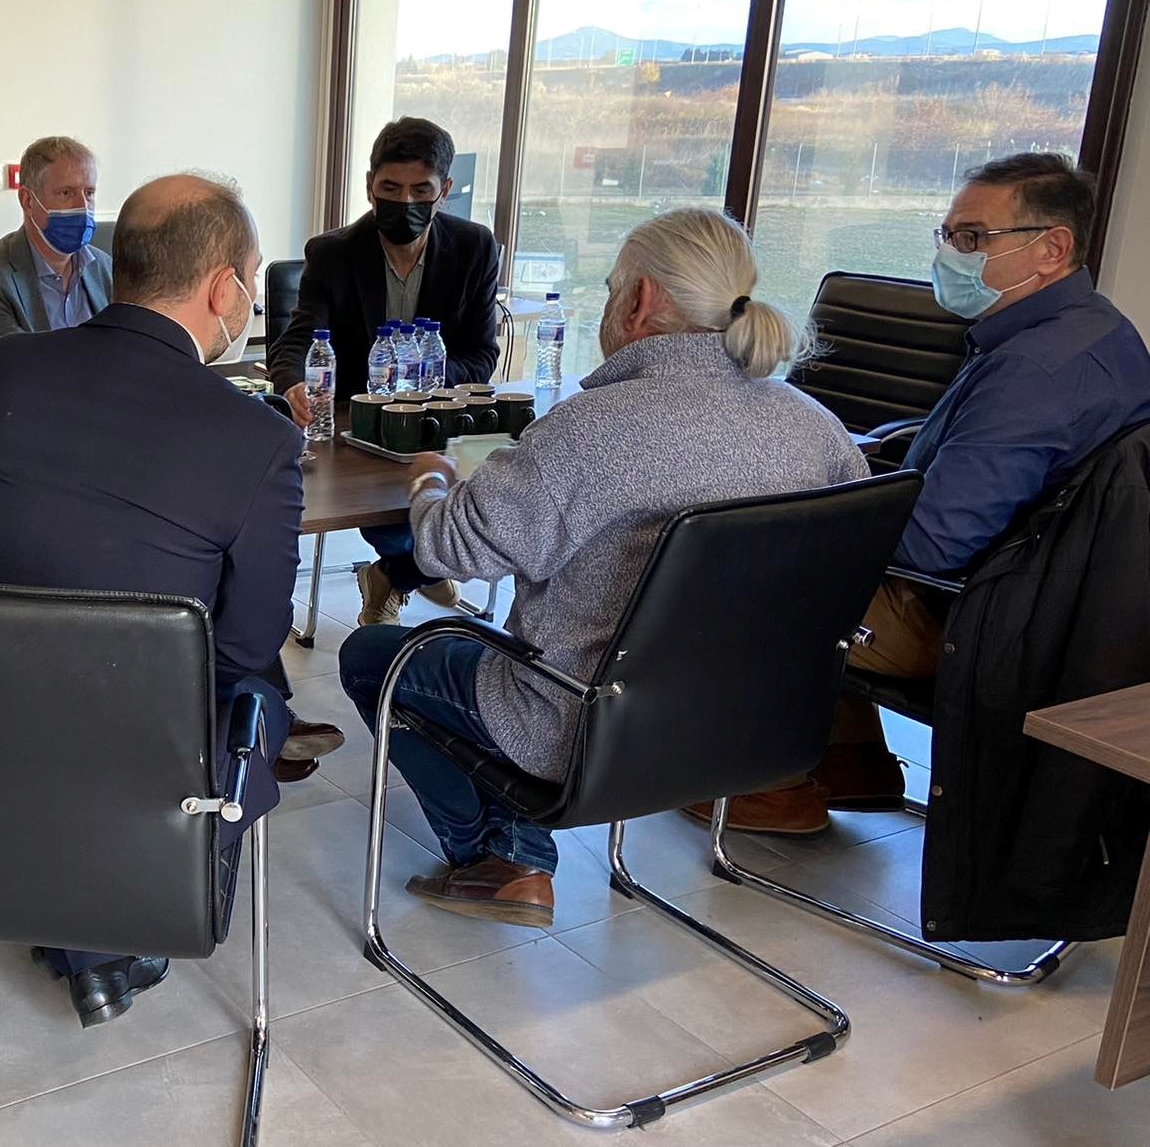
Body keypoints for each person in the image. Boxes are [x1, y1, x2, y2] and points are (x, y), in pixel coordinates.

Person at [338, 208, 868, 927]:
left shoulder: (589, 429)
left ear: (640, 299)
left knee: (375, 655)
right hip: (755, 730)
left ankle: (503, 858)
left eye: (616, 286)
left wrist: (431, 480)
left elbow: (450, 553)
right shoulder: (816, 425)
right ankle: (515, 852)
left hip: (590, 730)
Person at [0, 173, 326, 1025]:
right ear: (224, 289)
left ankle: (80, 935)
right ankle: (115, 933)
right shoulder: (258, 438)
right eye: (251, 282)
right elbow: (246, 643)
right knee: (260, 694)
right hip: (140, 745)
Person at [717, 153, 1150, 836]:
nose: (951, 254)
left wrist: (814, 516)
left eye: (973, 237)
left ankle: (771, 789)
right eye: (947, 235)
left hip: (965, 615)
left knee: (726, 567)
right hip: (1039, 605)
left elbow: (930, 546)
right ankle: (850, 760)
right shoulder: (1093, 331)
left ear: (1052, 248)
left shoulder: (1031, 372)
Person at [269, 117, 500, 627]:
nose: (405, 202)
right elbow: (298, 339)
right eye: (391, 189)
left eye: (421, 191)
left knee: (490, 506)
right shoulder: (333, 253)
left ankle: (396, 575)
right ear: (369, 185)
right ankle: (421, 564)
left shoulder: (475, 248)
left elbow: (482, 355)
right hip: (361, 429)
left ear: (445, 191)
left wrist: (419, 381)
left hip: (437, 421)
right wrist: (293, 383)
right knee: (392, 508)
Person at [0, 134, 114, 359]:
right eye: (66, 193)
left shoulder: (105, 268)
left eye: (89, 193)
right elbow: (7, 368)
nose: (83, 207)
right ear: (27, 201)